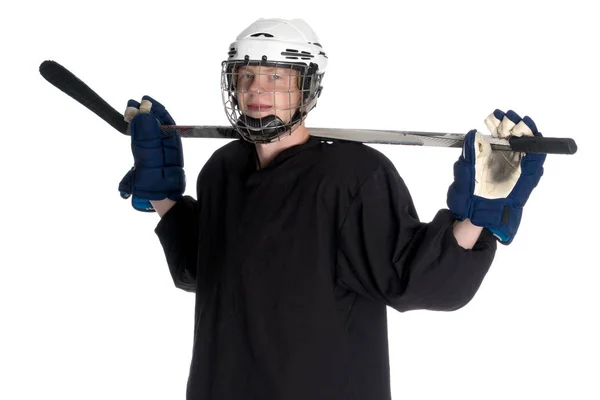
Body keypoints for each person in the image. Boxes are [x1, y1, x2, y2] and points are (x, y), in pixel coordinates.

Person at [118, 17, 546, 400]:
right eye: (246, 75)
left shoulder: (353, 177)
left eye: (276, 76)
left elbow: (413, 280)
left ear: (307, 87)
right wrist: (162, 194)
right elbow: (208, 270)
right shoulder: (222, 169)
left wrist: (479, 213)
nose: (256, 90)